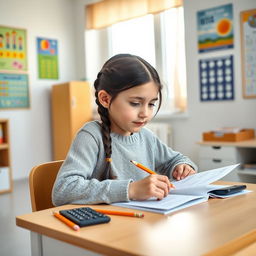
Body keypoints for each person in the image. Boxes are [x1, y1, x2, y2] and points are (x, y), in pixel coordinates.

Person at [52, 54, 197, 206]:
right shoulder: (91, 136)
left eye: (151, 104)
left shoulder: (146, 136)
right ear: (105, 99)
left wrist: (182, 167)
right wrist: (131, 189)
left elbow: (176, 160)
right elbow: (63, 190)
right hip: (104, 226)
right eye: (135, 103)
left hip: (142, 221)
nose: (145, 113)